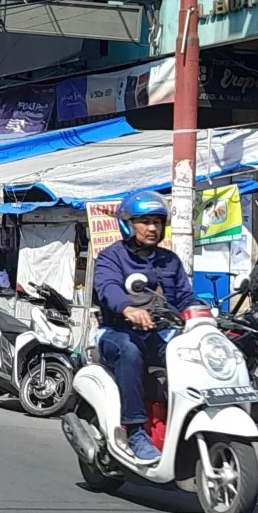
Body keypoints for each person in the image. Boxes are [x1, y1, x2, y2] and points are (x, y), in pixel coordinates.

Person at [94, 190, 200, 463]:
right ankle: (136, 431)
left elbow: (184, 297)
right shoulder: (111, 257)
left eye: (157, 221)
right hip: (118, 332)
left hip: (160, 333)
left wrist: (204, 314)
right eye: (145, 221)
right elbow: (108, 288)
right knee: (129, 352)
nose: (152, 228)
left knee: (195, 355)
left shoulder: (170, 261)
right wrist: (127, 308)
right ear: (128, 223)